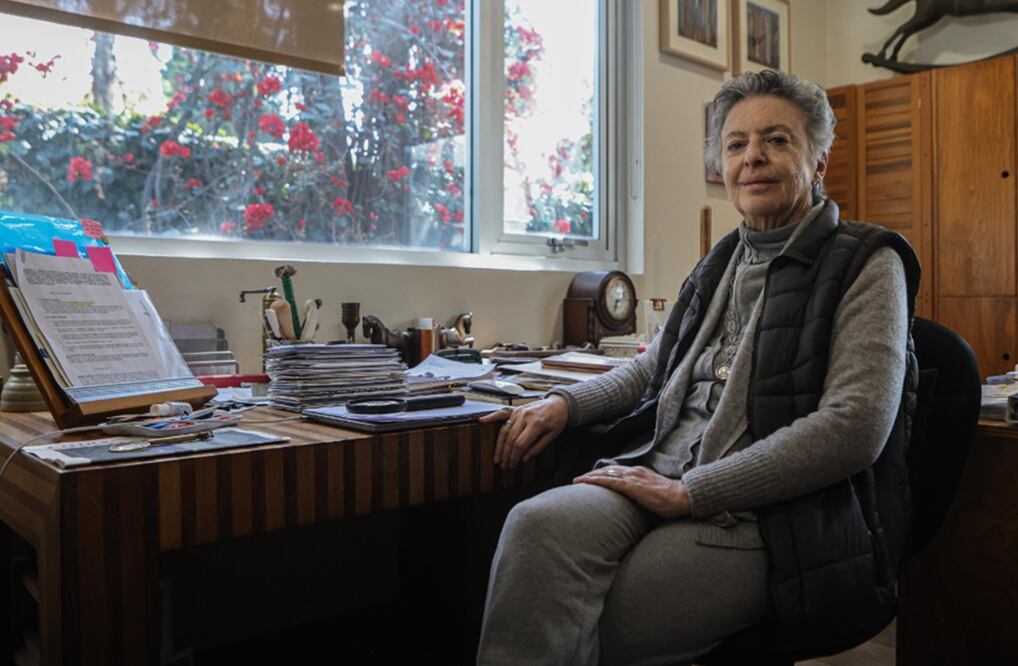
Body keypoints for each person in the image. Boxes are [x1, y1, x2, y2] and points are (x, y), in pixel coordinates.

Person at [475, 69, 920, 666]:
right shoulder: (720, 261)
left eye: (778, 140)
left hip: (764, 514)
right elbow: (650, 370)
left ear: (818, 162)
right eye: (736, 144)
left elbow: (854, 427)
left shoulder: (868, 261)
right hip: (652, 473)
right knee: (534, 532)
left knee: (595, 622)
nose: (753, 157)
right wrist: (565, 403)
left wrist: (691, 492)